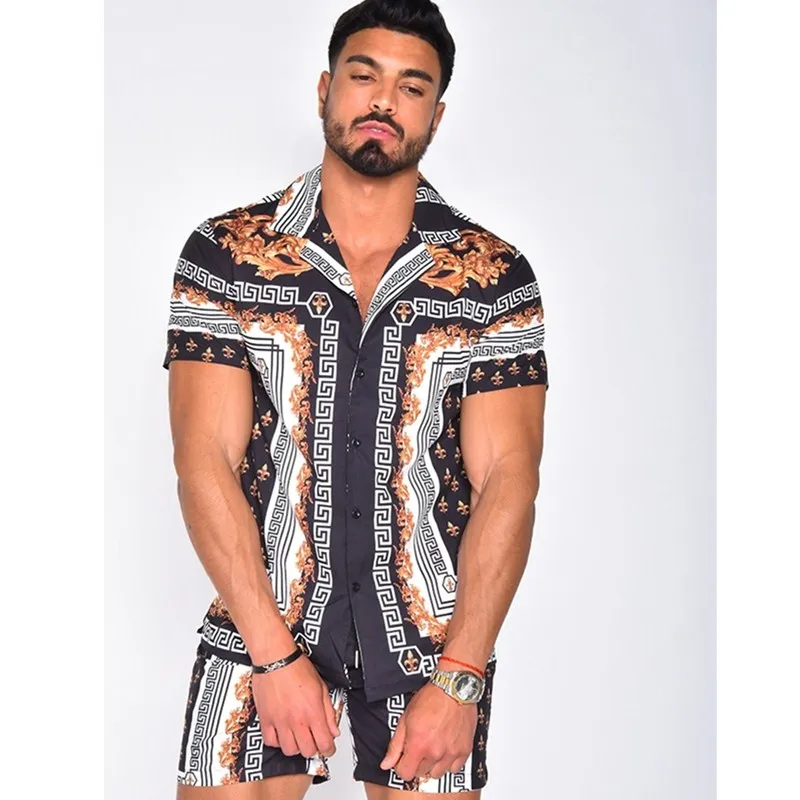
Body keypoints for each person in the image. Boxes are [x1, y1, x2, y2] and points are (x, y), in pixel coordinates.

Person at [164, 1, 548, 797]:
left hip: (431, 646)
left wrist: (462, 677)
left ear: (436, 114)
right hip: (260, 622)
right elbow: (203, 461)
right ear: (324, 89)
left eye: (412, 87)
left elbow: (509, 480)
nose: (383, 101)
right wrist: (273, 657)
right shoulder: (228, 255)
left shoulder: (491, 277)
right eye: (364, 75)